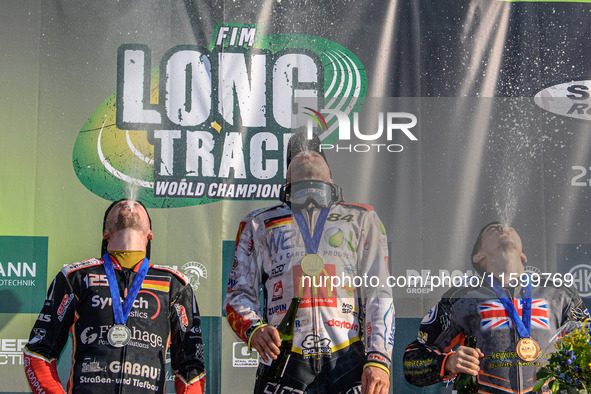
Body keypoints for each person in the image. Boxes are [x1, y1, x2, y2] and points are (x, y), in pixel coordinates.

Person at [224, 132, 394, 394]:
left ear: (331, 178)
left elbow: (378, 294)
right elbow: (237, 296)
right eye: (295, 154)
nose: (306, 152)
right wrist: (254, 330)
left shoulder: (362, 218)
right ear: (287, 180)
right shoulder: (258, 223)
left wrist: (379, 358)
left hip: (348, 358)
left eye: (316, 151)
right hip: (284, 359)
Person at [23, 199, 206, 393]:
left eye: (137, 204)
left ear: (150, 234)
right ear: (106, 233)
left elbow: (191, 365)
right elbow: (38, 351)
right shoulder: (75, 276)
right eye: (118, 205)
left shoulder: (174, 284)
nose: (129, 204)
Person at [403, 222, 589, 393]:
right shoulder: (461, 298)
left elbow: (587, 347)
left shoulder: (561, 292)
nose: (503, 227)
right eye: (493, 229)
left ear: (523, 254)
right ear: (478, 256)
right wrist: (448, 362)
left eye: (510, 228)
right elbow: (412, 363)